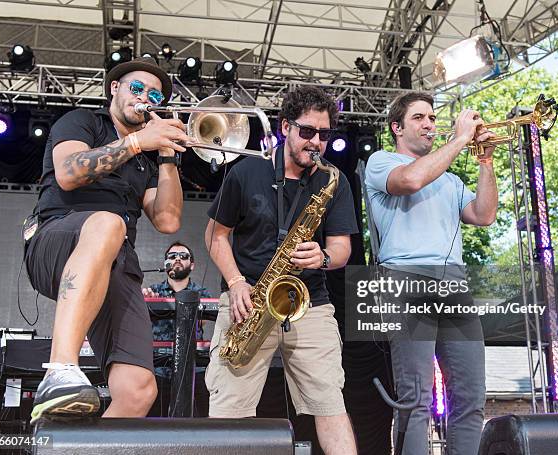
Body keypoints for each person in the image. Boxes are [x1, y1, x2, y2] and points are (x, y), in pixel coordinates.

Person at [24, 56, 191, 424]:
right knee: (108, 223)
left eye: (154, 95)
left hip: (117, 261)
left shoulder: (146, 162)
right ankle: (59, 370)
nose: (144, 98)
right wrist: (136, 141)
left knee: (138, 390)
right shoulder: (84, 121)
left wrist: (165, 156)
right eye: (136, 88)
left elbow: (167, 219)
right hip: (57, 235)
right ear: (115, 89)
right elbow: (68, 173)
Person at [204, 86, 358, 455]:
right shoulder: (247, 170)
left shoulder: (333, 180)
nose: (316, 142)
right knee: (228, 412)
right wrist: (236, 282)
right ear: (286, 126)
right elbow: (215, 236)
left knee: (330, 405)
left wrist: (321, 257)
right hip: (249, 300)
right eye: (307, 132)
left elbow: (342, 249)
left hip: (310, 303)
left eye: (324, 135)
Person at [365, 92, 498, 455]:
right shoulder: (382, 161)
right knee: (415, 398)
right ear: (397, 128)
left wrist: (485, 161)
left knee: (470, 396)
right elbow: (409, 181)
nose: (429, 125)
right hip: (405, 280)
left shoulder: (450, 180)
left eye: (432, 118)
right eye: (419, 118)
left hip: (454, 284)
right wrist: (459, 139)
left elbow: (484, 216)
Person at [143, 241, 211, 369]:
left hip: (191, 367)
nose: (178, 258)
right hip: (157, 366)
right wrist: (148, 304)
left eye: (183, 256)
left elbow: (202, 321)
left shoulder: (201, 293)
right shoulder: (154, 291)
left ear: (192, 265)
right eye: (172, 256)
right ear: (166, 264)